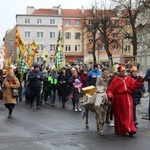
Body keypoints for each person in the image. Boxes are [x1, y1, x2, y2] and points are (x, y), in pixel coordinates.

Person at [106, 64, 144, 136]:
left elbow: (134, 86)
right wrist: (110, 95)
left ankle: (130, 128)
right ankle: (120, 129)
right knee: (119, 114)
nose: (124, 73)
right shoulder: (115, 80)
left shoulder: (129, 79)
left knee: (129, 113)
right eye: (122, 71)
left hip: (128, 98)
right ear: (119, 72)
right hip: (118, 99)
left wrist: (139, 79)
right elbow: (110, 89)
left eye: (125, 71)